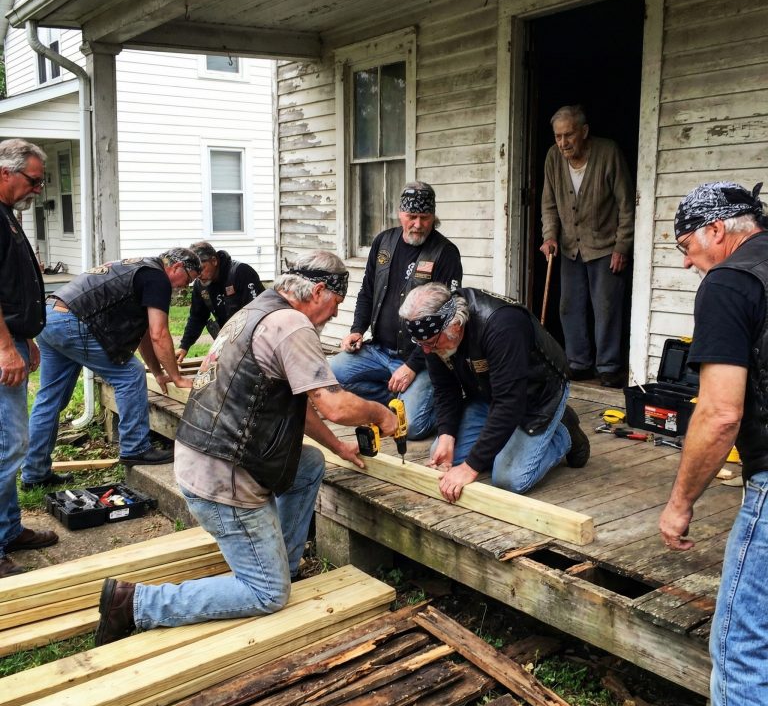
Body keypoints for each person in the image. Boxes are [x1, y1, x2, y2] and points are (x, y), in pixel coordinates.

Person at [94, 250, 398, 645]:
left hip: (208, 453)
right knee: (268, 595)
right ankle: (135, 604)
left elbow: (301, 400)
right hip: (224, 474)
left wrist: (337, 449)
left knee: (307, 465)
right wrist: (379, 414)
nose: (333, 315)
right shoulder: (292, 326)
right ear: (319, 290)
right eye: (335, 304)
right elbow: (334, 404)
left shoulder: (260, 309)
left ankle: (283, 564)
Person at [658, 181, 768, 706]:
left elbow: (721, 413)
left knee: (742, 644)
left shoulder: (729, 283)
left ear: (717, 231)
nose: (686, 262)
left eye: (686, 246)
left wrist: (679, 503)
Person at [21, 247, 201, 489]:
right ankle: (136, 448)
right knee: (130, 375)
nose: (185, 287)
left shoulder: (140, 269)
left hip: (51, 316)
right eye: (188, 280)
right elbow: (160, 334)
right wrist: (177, 378)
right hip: (73, 322)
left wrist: (159, 372)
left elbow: (146, 335)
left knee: (50, 399)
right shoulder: (157, 279)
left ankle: (34, 474)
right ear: (177, 267)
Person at [399, 282, 590, 503]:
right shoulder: (433, 333)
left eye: (431, 343)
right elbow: (445, 389)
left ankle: (563, 431)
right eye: (421, 344)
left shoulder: (502, 325)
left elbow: (510, 403)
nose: (425, 350)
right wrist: (446, 435)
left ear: (455, 325)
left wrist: (470, 468)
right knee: (443, 456)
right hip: (489, 393)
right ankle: (508, 438)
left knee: (509, 479)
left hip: (538, 395)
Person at [330, 182, 462, 440]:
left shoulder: (445, 253)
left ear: (433, 217)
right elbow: (367, 291)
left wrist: (412, 366)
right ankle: (397, 399)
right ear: (400, 213)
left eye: (425, 218)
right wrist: (357, 330)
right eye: (411, 217)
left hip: (423, 361)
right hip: (378, 351)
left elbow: (447, 316)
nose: (418, 224)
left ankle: (439, 405)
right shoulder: (384, 242)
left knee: (410, 427)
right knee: (331, 376)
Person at [539, 105, 635, 388]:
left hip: (605, 245)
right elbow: (548, 203)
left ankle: (608, 367)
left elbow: (626, 204)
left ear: (584, 131)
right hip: (569, 246)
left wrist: (623, 245)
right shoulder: (553, 158)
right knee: (569, 307)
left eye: (568, 135)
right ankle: (578, 363)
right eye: (558, 136)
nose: (563, 143)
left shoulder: (608, 153)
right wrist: (549, 236)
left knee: (606, 307)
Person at [0, 139, 59, 578]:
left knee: (8, 443)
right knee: (8, 445)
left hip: (15, 338)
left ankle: (9, 529)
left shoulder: (9, 217)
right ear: (6, 172)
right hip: (0, 346)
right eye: (34, 180)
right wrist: (5, 346)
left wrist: (26, 339)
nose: (38, 189)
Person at [175, 241, 266, 362]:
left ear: (214, 261)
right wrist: (184, 346)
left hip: (256, 341)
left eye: (201, 269)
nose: (198, 275)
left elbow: (259, 313)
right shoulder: (200, 285)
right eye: (196, 271)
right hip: (229, 343)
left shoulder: (241, 272)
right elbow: (197, 317)